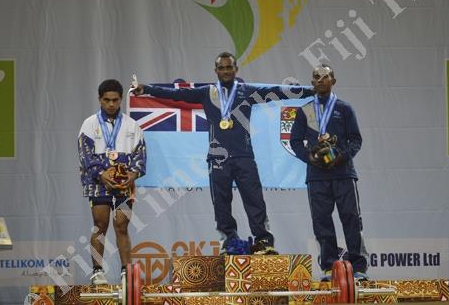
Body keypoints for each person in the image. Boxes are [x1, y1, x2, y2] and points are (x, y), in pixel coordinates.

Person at [131, 51, 315, 255]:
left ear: (236, 69)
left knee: (255, 200)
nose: (226, 71)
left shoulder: (246, 91)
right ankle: (229, 241)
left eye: (229, 67)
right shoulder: (206, 92)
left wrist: (309, 91)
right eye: (222, 68)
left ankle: (264, 241)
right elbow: (175, 94)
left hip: (244, 156)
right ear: (215, 71)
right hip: (218, 158)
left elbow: (277, 91)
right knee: (221, 203)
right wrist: (146, 89)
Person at [290, 64, 368, 281]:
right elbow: (294, 141)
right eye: (316, 77)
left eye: (325, 77)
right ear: (312, 82)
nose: (320, 80)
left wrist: (342, 156)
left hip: (343, 174)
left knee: (351, 219)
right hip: (317, 176)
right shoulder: (304, 110)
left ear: (333, 81)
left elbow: (356, 140)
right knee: (321, 221)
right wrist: (310, 157)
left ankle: (359, 268)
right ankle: (328, 267)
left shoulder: (344, 108)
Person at [78, 79, 146, 284]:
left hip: (125, 183)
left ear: (120, 99)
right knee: (100, 225)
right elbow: (85, 154)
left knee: (122, 226)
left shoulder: (132, 125)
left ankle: (126, 272)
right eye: (106, 100)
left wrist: (131, 176)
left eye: (115, 100)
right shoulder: (89, 124)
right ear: (100, 99)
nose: (111, 104)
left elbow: (140, 155)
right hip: (97, 182)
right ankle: (97, 271)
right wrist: (102, 175)